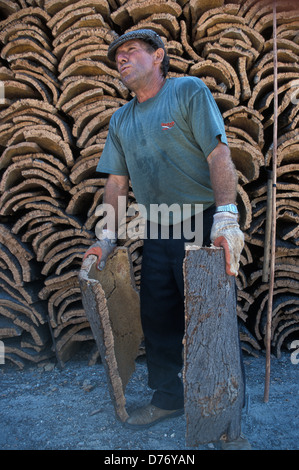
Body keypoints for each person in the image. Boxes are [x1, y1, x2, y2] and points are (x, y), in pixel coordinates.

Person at [83, 29, 250, 449]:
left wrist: (226, 217)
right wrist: (106, 236)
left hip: (202, 222)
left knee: (211, 314)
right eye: (117, 55)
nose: (121, 59)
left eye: (131, 51)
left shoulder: (187, 92)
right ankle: (169, 399)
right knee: (157, 316)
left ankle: (227, 408)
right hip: (156, 228)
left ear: (158, 56)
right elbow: (117, 183)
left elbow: (219, 155)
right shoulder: (121, 119)